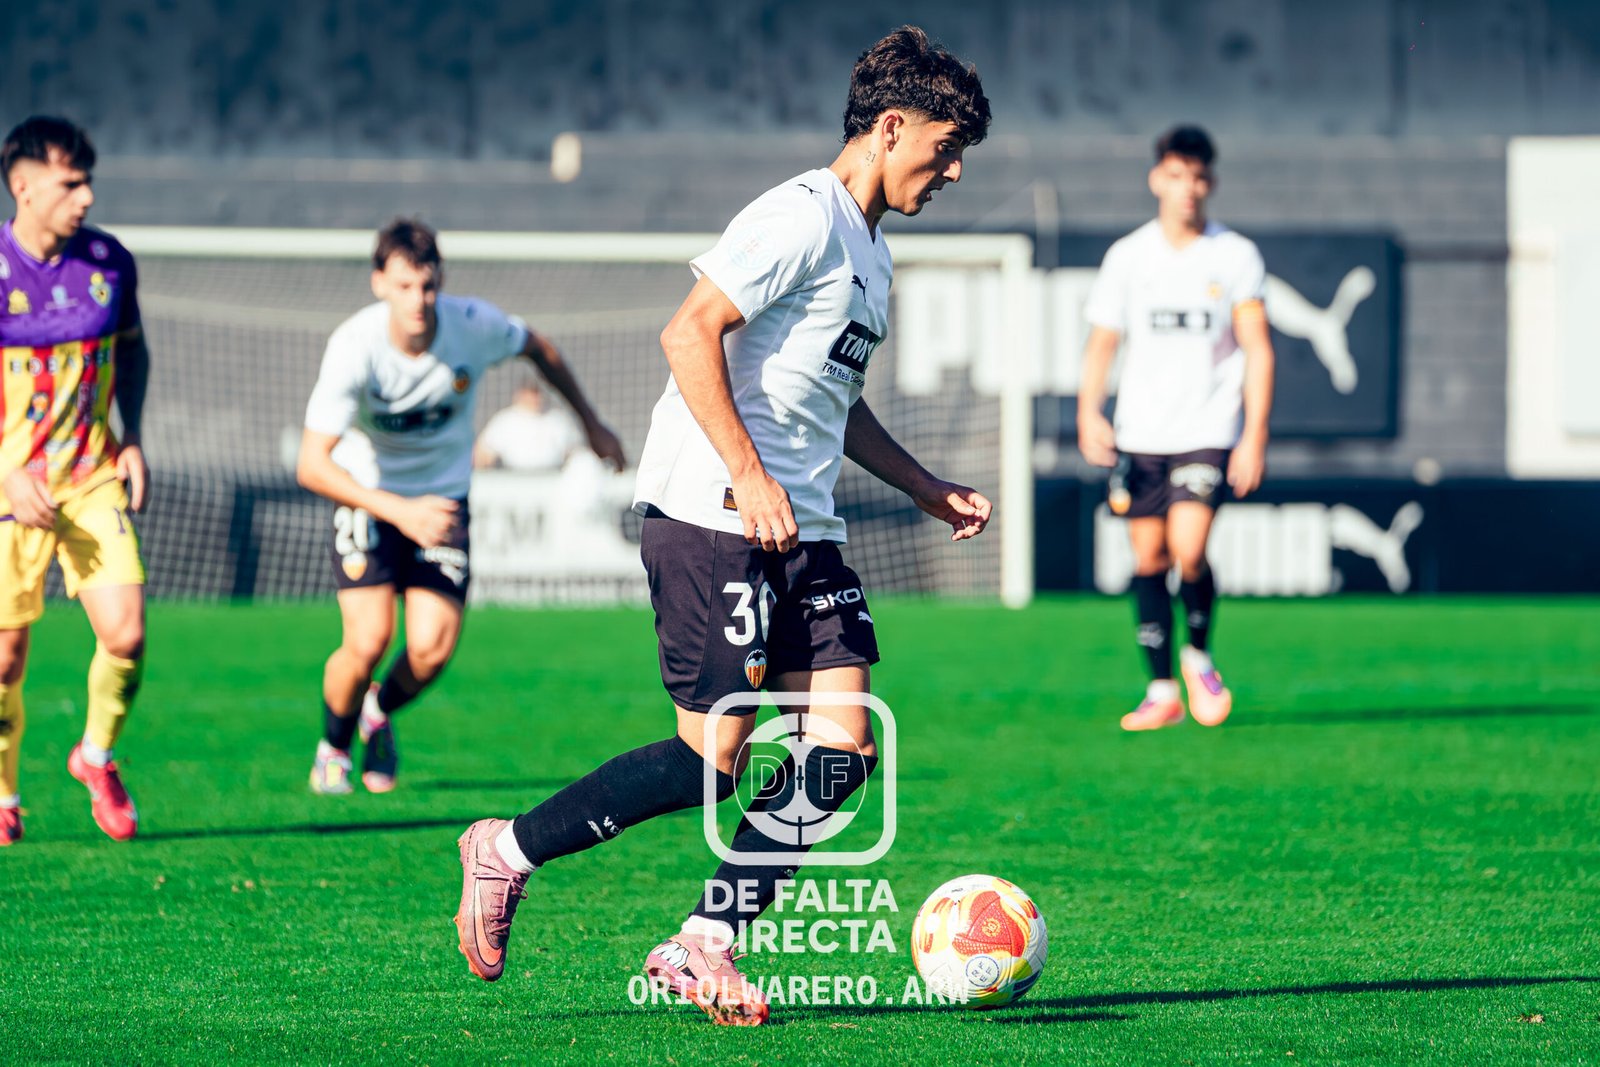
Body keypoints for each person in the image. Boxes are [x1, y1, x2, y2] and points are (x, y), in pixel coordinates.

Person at [450, 26, 992, 1026]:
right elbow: (686, 330)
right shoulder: (801, 216)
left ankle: (704, 939)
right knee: (712, 759)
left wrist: (922, 485)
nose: (953, 170)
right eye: (945, 147)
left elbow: (838, 402)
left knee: (844, 751)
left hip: (805, 529)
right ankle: (506, 849)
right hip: (713, 515)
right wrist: (747, 475)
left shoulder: (872, 253)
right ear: (889, 126)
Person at [297, 218, 624, 795]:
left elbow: (539, 347)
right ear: (379, 284)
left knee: (430, 650)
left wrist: (590, 422)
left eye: (427, 286)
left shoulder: (473, 325)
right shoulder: (354, 347)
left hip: (443, 503)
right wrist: (397, 511)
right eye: (403, 287)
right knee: (368, 641)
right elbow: (312, 465)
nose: (418, 300)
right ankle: (333, 745)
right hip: (369, 499)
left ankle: (378, 711)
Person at [1076, 125, 1276, 732]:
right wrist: (1089, 411)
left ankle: (1198, 658)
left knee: (1189, 549)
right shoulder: (1129, 257)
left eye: (1198, 177)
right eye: (1176, 174)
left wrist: (1254, 435)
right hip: (1141, 436)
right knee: (1149, 557)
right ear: (1157, 179)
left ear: (1209, 184)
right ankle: (1161, 688)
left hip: (1207, 430)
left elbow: (1258, 349)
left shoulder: (1234, 256)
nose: (1187, 188)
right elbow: (1101, 343)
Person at [0, 116, 150, 844]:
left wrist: (137, 437)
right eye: (70, 182)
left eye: (88, 180)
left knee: (126, 632)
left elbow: (135, 351)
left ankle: (95, 756)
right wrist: (6, 469)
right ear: (22, 186)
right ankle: (2, 791)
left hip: (91, 478)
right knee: (5, 657)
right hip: (8, 492)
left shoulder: (110, 263)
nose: (86, 196)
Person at [472, 380, 579, 473]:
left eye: (536, 394)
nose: (534, 399)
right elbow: (483, 455)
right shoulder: (505, 420)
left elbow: (575, 452)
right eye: (530, 394)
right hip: (514, 479)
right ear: (520, 395)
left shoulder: (556, 419)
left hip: (553, 478)